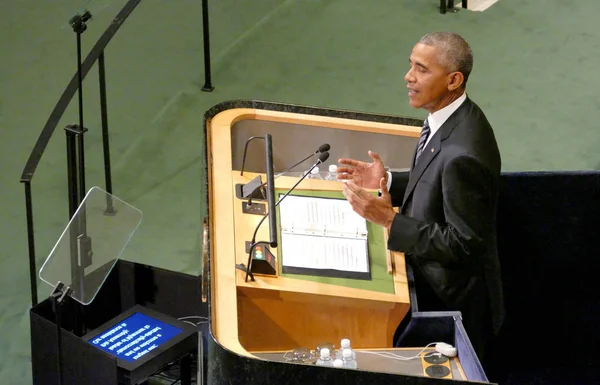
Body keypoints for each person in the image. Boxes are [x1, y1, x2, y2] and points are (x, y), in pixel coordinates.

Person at [337, 32, 504, 364]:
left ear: (454, 80)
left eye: (422, 69)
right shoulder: (452, 117)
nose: (408, 76)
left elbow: (465, 244)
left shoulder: (463, 154)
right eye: (411, 65)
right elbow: (436, 181)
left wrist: (388, 219)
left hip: (450, 308)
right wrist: (385, 180)